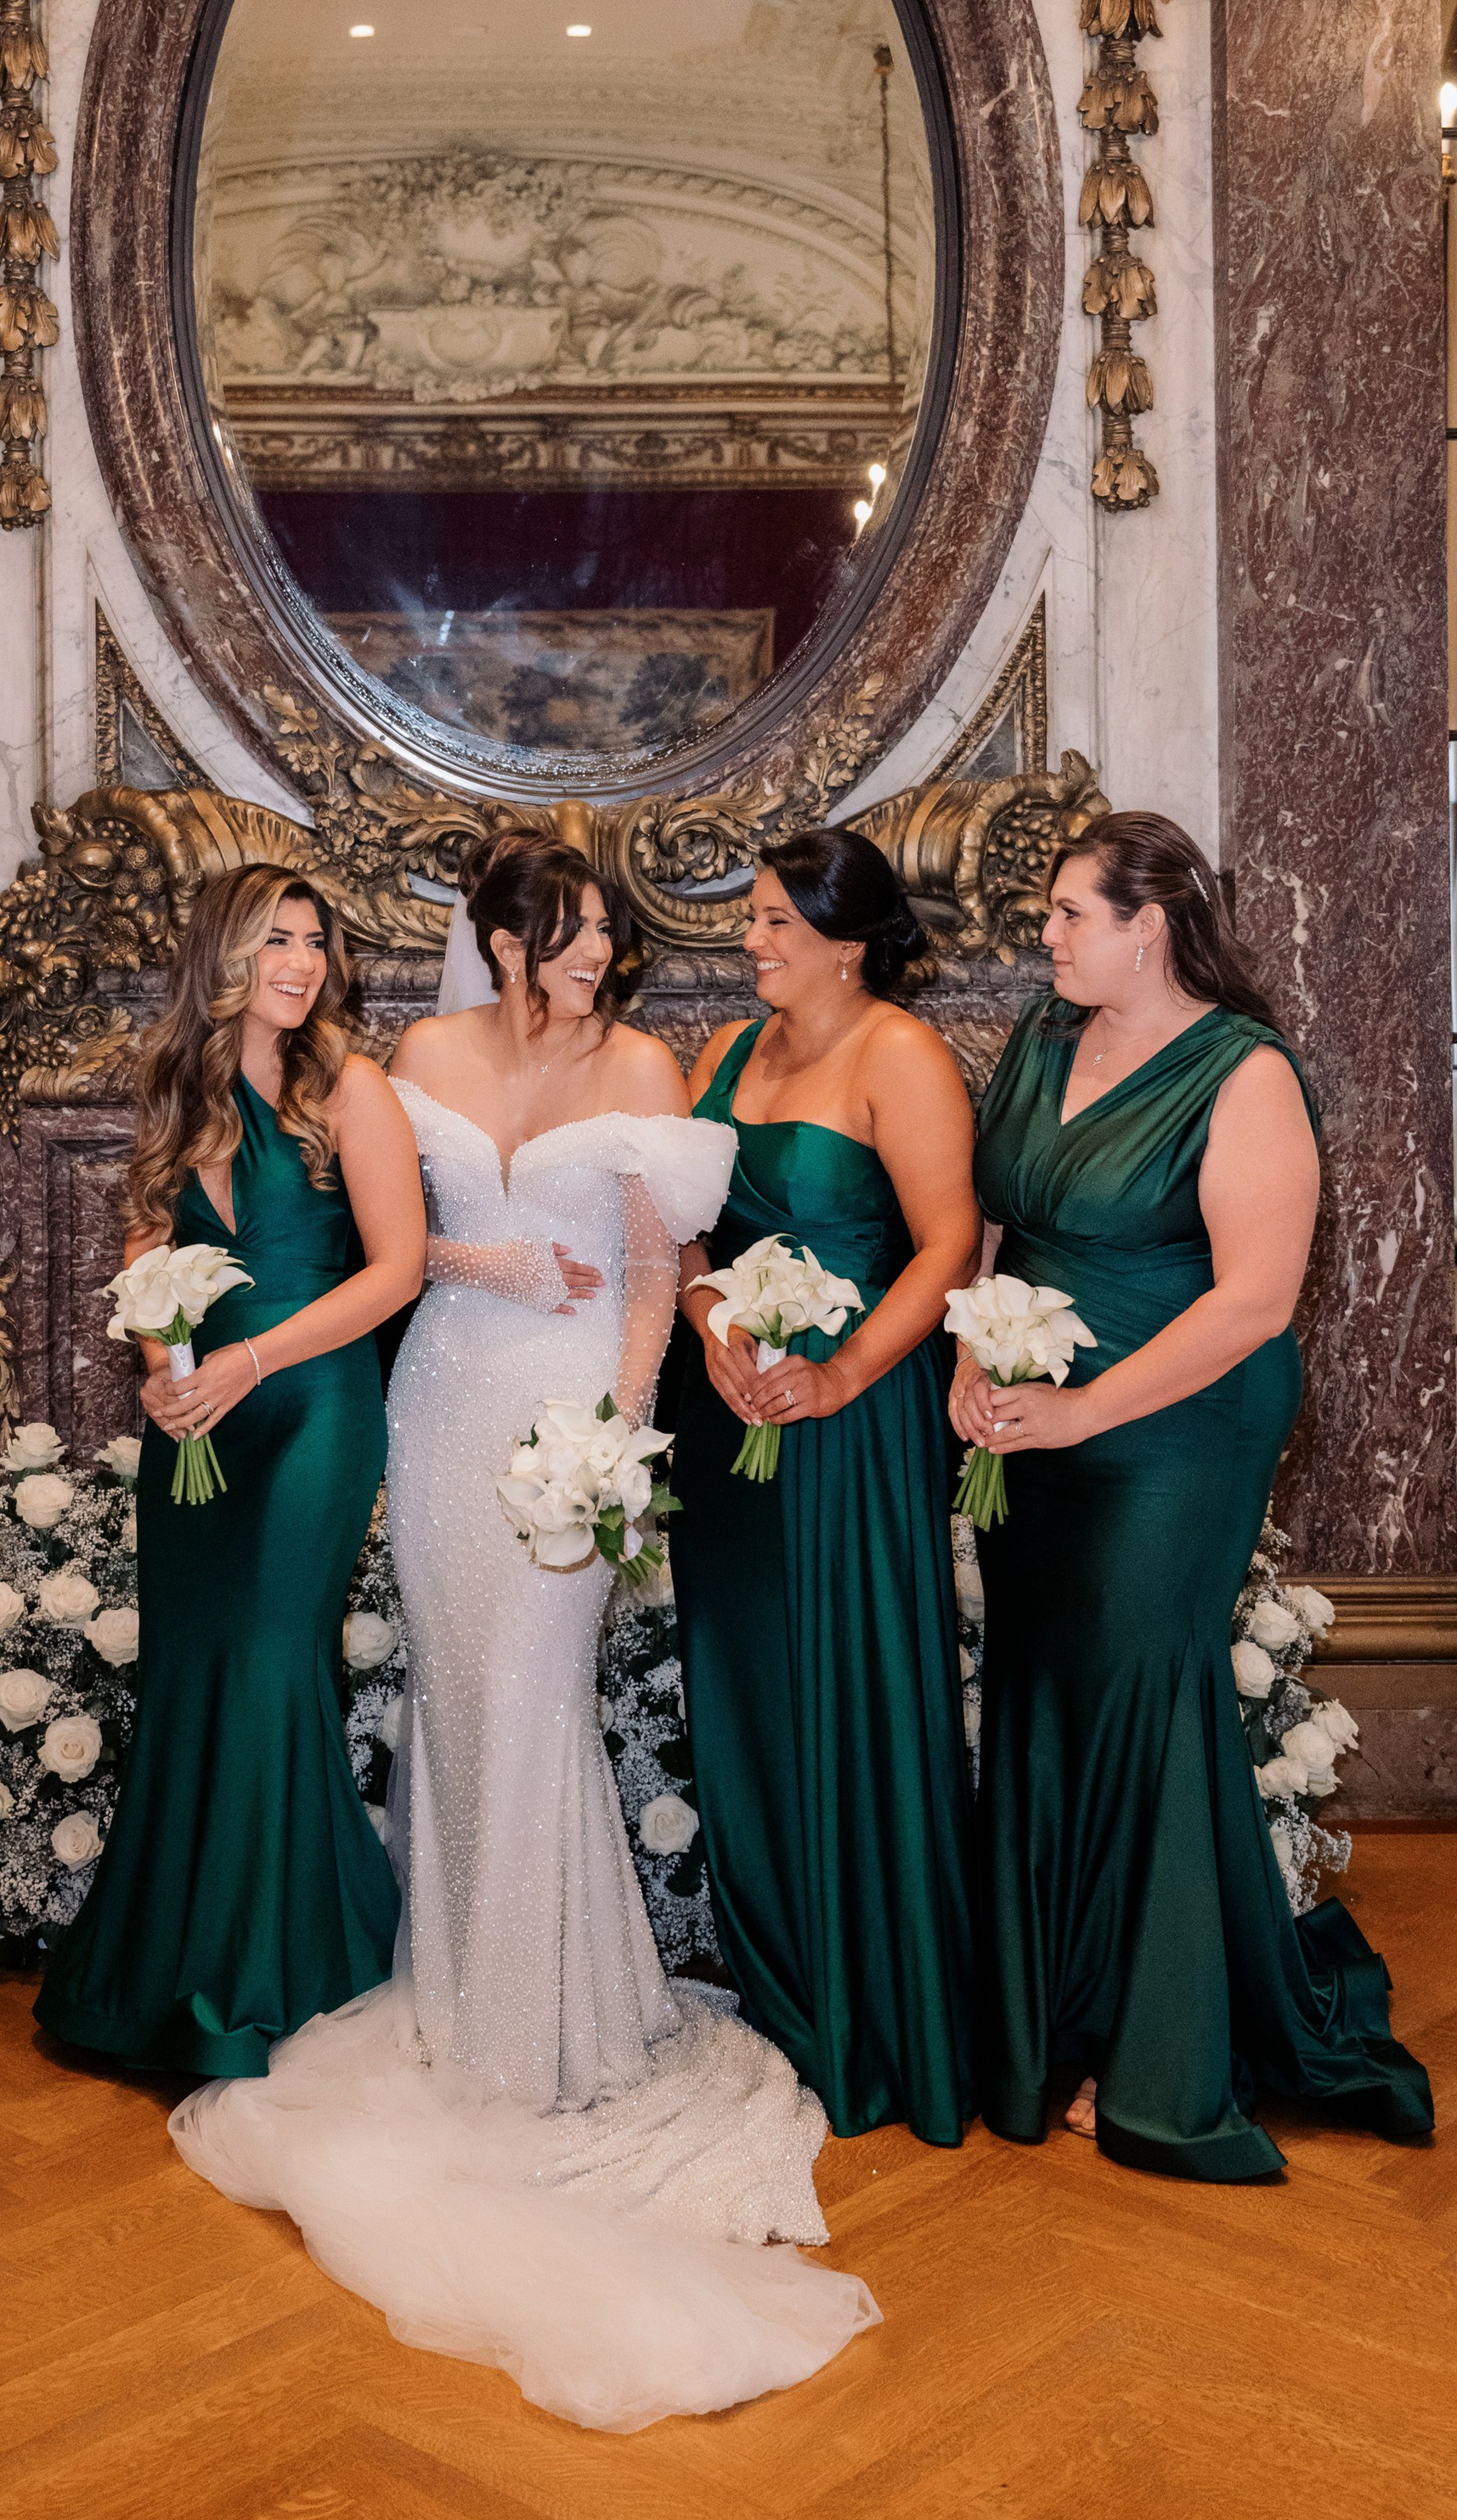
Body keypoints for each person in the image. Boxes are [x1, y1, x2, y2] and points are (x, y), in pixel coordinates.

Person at [170, 833, 878, 2433]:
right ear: (497, 937)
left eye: (602, 932)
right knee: (462, 1700)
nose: (591, 953)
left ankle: (551, 2029)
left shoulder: (638, 1059)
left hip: (568, 1410)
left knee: (535, 1698)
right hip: (437, 1408)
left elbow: (649, 1273)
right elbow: (393, 1244)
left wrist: (626, 1431)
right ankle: (462, 1995)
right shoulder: (414, 1053)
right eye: (562, 931)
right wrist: (479, 1256)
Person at [955, 809, 1435, 2179]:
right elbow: (1002, 1218)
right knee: (1050, 1688)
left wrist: (1084, 1409)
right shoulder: (1045, 1040)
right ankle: (1048, 2021)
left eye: (1066, 914)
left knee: (1144, 1694)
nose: (1044, 936)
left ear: (1146, 923)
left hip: (1176, 1429)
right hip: (1034, 1424)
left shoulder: (1244, 1072)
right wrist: (973, 1367)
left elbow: (1258, 1300)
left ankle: (1154, 2047)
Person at [36, 863, 426, 2075]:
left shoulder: (352, 1088)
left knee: (267, 1664)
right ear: (225, 957)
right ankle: (178, 1959)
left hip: (311, 1402)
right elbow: (149, 1256)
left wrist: (249, 1360)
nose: (303, 964)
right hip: (201, 1417)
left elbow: (395, 1272)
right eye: (277, 942)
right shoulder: (178, 1089)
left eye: (315, 942)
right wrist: (165, 1369)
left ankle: (280, 1975)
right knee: (200, 1671)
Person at [671, 828, 981, 2146]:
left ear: (846, 941)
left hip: (851, 1422)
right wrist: (706, 1318)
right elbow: (687, 1223)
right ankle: (781, 1984)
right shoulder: (725, 1055)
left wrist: (844, 1375)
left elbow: (951, 1241)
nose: (751, 941)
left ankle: (870, 2000)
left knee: (845, 1684)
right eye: (752, 919)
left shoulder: (900, 1054)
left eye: (775, 923)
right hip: (729, 1411)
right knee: (743, 1689)